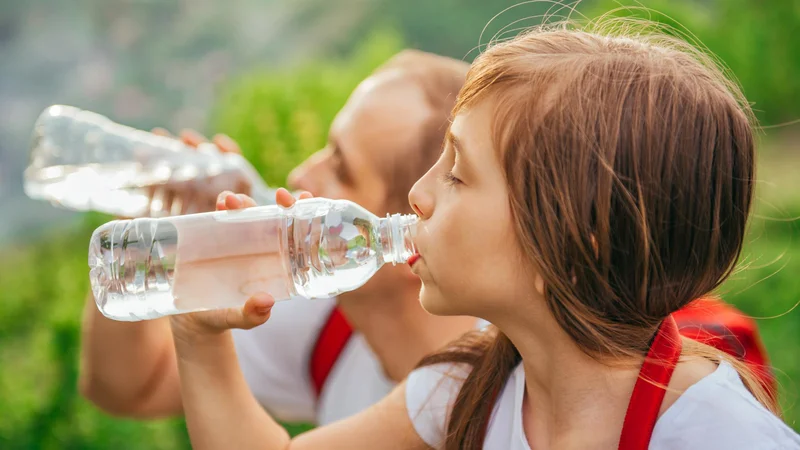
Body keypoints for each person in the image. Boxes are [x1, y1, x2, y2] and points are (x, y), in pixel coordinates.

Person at [167, 20, 800, 450]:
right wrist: (198, 335)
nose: (418, 194)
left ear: (572, 247)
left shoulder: (713, 432)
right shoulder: (467, 388)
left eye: (458, 174)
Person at [78, 50, 479, 423]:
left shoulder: (481, 404)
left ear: (414, 237)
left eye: (340, 168)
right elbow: (129, 390)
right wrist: (149, 221)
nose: (299, 176)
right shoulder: (329, 324)